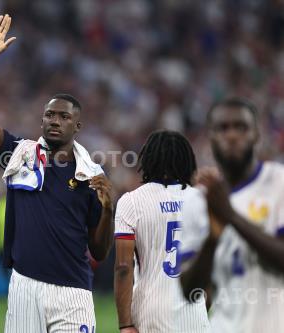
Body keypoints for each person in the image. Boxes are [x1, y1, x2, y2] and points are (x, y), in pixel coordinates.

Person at [0, 14, 114, 333]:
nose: (54, 120)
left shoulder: (91, 175)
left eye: (63, 116)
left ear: (78, 126)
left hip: (73, 292)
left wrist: (108, 211)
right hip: (25, 288)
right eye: (49, 114)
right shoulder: (18, 154)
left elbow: (99, 250)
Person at [180, 97, 284, 332]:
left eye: (241, 127)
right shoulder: (197, 200)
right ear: (211, 137)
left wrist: (231, 217)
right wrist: (212, 241)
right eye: (223, 128)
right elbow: (189, 292)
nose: (232, 135)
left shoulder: (279, 183)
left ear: (256, 134)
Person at [114, 130, 210, 333]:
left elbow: (123, 267)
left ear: (148, 159)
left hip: (150, 309)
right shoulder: (203, 200)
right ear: (187, 161)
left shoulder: (131, 201)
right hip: (193, 309)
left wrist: (125, 324)